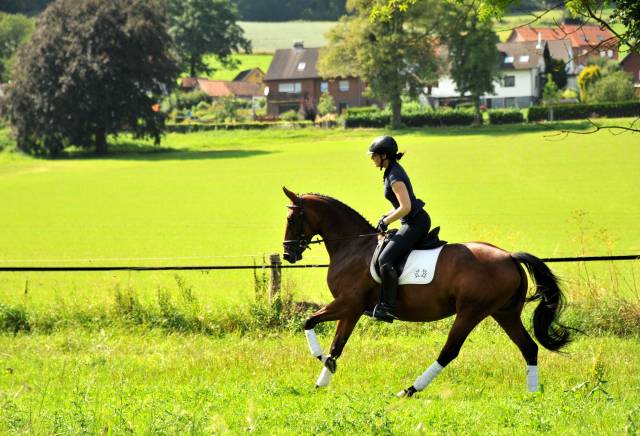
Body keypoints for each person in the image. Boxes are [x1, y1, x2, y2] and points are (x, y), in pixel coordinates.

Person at [366, 135, 431, 323]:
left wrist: (386, 222)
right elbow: (398, 204)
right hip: (410, 221)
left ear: (384, 155)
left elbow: (406, 207)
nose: (372, 158)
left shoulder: (394, 175)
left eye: (374, 155)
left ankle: (387, 307)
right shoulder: (389, 172)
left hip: (415, 222)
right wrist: (385, 217)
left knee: (385, 258)